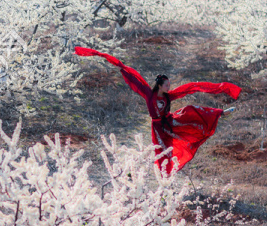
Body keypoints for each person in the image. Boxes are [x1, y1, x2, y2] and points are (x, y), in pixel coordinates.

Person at [75, 46, 240, 177]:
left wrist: (221, 88)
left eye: (170, 84)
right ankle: (162, 176)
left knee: (191, 111)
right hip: (158, 128)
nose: (169, 87)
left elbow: (190, 88)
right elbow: (133, 79)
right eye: (167, 85)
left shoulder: (169, 97)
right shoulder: (149, 94)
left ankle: (219, 113)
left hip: (170, 123)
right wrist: (118, 66)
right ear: (160, 85)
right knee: (162, 150)